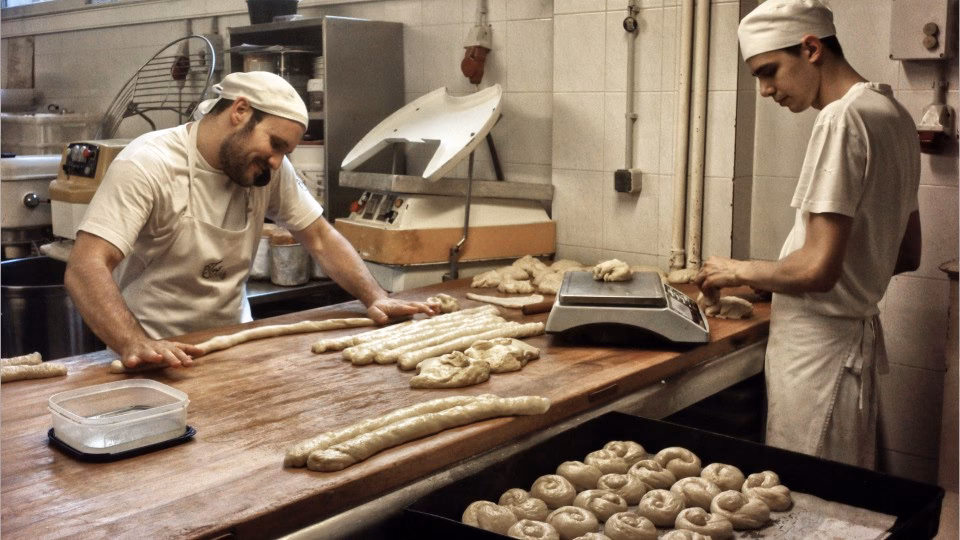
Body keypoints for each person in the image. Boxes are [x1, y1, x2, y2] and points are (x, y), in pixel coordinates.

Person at [65, 71, 436, 371]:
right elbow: (86, 266)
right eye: (275, 144)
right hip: (155, 355)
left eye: (285, 152)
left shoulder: (267, 170)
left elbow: (319, 236)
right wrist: (133, 343)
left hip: (232, 346)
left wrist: (376, 296)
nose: (277, 162)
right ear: (240, 111)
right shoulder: (148, 164)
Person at [693, 0, 922, 468]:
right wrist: (777, 277)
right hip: (848, 350)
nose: (764, 90)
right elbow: (904, 253)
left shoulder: (840, 118)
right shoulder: (893, 115)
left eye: (769, 70)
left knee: (806, 501)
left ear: (811, 48)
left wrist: (737, 268)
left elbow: (818, 268)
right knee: (839, 500)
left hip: (817, 355)